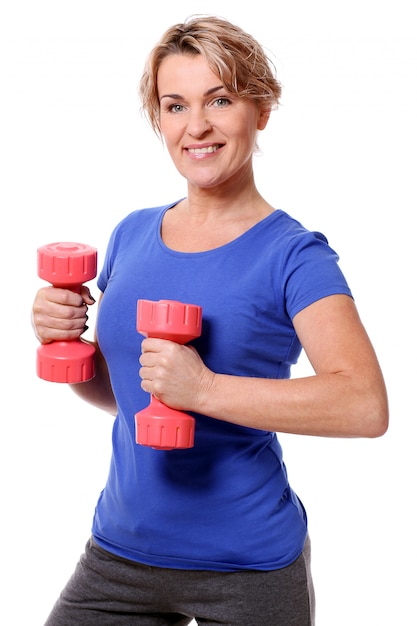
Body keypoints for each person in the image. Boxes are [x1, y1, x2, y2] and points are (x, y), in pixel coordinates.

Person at [32, 15, 389, 626]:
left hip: (247, 568)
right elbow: (130, 395)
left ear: (261, 110)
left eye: (219, 100)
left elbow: (364, 406)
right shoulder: (132, 233)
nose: (195, 126)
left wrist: (205, 389)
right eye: (175, 106)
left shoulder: (293, 255)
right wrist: (64, 339)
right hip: (119, 556)